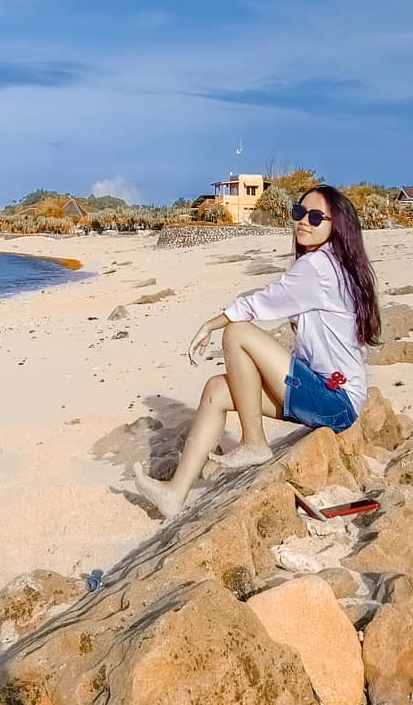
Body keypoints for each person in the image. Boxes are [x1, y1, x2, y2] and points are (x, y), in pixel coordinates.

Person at [132, 184, 380, 520]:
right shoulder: (335, 264)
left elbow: (262, 303)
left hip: (333, 400)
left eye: (316, 216)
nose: (303, 221)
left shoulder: (319, 267)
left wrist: (210, 324)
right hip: (327, 396)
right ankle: (174, 494)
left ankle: (253, 443)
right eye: (299, 212)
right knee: (217, 390)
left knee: (237, 332)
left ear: (336, 226)